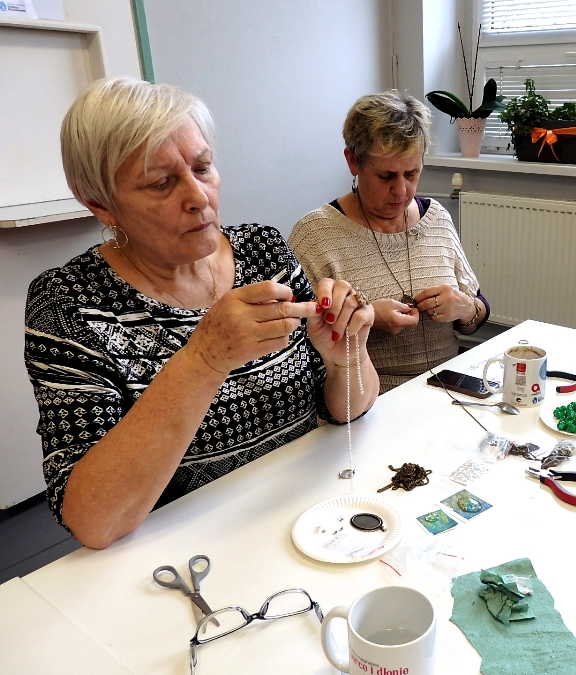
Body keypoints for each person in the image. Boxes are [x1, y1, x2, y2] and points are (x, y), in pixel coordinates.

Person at [24, 77, 379, 549]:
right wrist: (203, 360)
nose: (198, 197)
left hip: (307, 519)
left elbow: (349, 412)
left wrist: (346, 356)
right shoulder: (68, 306)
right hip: (184, 551)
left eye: (203, 167)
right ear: (101, 205)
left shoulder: (263, 251)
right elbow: (94, 519)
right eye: (161, 182)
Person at [288, 91, 489, 393]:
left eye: (412, 173)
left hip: (449, 388)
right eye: (386, 176)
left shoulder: (436, 218)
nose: (402, 191)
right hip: (369, 403)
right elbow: (292, 347)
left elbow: (477, 312)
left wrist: (465, 308)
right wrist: (366, 321)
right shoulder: (315, 236)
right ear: (353, 161)